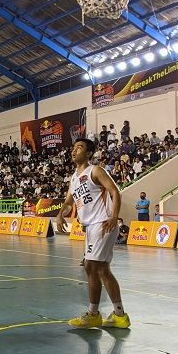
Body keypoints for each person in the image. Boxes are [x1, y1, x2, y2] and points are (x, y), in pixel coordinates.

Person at [56, 138, 130, 329]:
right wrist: (60, 215)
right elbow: (68, 203)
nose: (74, 151)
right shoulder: (73, 178)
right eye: (73, 148)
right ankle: (119, 315)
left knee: (91, 267)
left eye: (79, 148)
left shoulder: (95, 171)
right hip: (90, 226)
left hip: (103, 223)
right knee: (102, 270)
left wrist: (115, 217)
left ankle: (93, 314)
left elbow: (115, 191)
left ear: (89, 153)